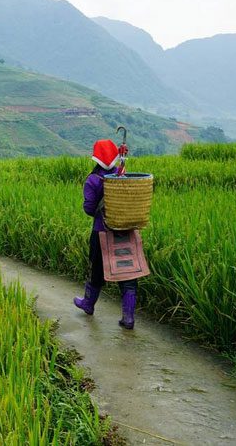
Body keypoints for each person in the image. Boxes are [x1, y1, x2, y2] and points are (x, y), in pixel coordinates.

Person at [74, 139, 138, 329]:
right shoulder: (121, 176)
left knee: (96, 271)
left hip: (101, 232)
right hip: (125, 231)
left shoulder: (93, 180)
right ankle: (128, 318)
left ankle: (88, 304)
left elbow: (88, 208)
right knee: (128, 275)